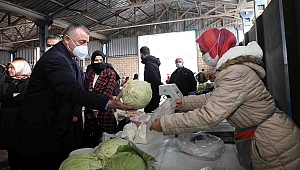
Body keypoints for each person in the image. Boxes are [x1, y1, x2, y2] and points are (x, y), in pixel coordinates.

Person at [149, 28, 300, 170]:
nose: (203, 57)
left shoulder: (233, 73)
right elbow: (216, 97)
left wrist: (165, 124)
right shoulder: (233, 69)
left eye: (204, 52)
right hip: (269, 136)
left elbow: (209, 116)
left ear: (217, 48)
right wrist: (186, 102)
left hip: (272, 143)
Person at [16, 23, 135, 170]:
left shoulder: (68, 59)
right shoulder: (55, 60)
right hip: (43, 128)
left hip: (57, 125)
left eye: (86, 42)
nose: (85, 47)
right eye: (81, 42)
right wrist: (108, 103)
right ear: (67, 39)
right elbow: (72, 90)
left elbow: (77, 89)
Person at [82, 50, 118, 147]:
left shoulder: (110, 73)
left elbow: (108, 92)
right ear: (92, 62)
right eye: (96, 60)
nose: (99, 62)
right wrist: (90, 107)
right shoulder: (90, 74)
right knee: (92, 140)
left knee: (107, 142)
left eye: (101, 60)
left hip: (105, 111)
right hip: (91, 112)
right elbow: (85, 91)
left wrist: (97, 106)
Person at [0, 59, 31, 170]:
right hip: (8, 121)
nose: (9, 70)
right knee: (11, 149)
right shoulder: (6, 82)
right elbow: (1, 97)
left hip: (22, 120)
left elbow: (27, 99)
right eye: (9, 68)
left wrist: (12, 98)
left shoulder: (28, 82)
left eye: (12, 68)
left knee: (24, 149)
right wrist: (12, 95)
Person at [140, 46, 162, 113]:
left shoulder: (149, 65)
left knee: (150, 114)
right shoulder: (154, 63)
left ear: (141, 54)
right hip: (155, 94)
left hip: (152, 95)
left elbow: (155, 80)